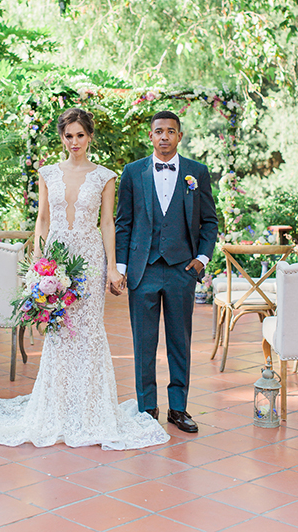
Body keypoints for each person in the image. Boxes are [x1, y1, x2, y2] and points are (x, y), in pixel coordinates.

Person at [0, 108, 169, 450]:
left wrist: (113, 267)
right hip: (54, 261)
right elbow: (42, 219)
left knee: (87, 333)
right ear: (62, 137)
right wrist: (38, 263)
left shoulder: (105, 176)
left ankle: (91, 410)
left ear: (90, 137)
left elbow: (108, 224)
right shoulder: (47, 174)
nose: (74, 142)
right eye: (69, 136)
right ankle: (56, 407)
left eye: (80, 135)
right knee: (59, 333)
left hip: (89, 259)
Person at [114, 110, 218, 433]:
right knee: (143, 343)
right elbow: (123, 223)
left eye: (170, 132)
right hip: (142, 270)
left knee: (179, 340)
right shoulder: (133, 173)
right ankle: (147, 408)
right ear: (151, 136)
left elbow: (210, 221)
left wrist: (201, 257)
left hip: (180, 270)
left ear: (179, 137)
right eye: (159, 131)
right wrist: (121, 267)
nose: (164, 137)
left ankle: (178, 408)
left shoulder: (196, 173)